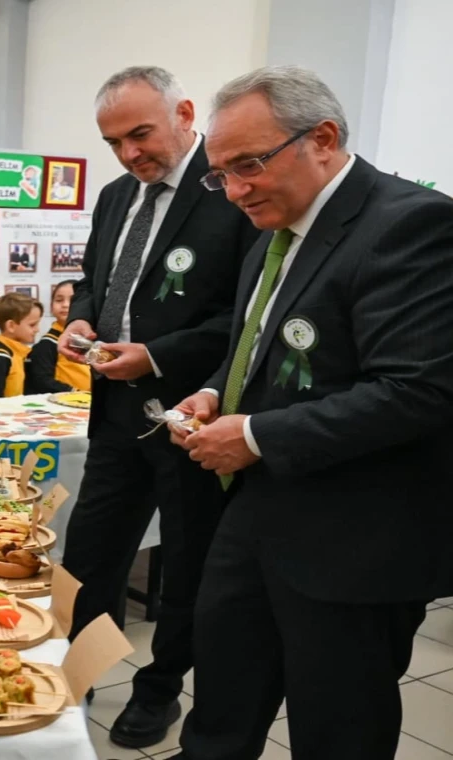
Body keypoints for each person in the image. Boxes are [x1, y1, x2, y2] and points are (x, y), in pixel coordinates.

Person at [166, 66, 453, 760]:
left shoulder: (410, 224)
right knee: (222, 704)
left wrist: (257, 435)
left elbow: (417, 390)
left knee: (338, 727)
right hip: (255, 518)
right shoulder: (273, 233)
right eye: (220, 174)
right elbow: (257, 352)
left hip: (353, 542)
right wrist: (214, 393)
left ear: (322, 139)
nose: (234, 191)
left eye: (249, 166)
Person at [56, 66, 259, 749]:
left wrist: (157, 354)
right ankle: (73, 677)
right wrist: (83, 322)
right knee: (88, 557)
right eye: (113, 141)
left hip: (191, 417)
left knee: (185, 565)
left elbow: (244, 316)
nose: (129, 153)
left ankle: (159, 688)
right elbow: (91, 281)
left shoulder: (232, 189)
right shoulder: (116, 196)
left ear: (184, 114)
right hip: (114, 412)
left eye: (140, 134)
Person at [0, 294, 64, 398]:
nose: (37, 329)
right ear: (11, 326)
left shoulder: (18, 353)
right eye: (32, 325)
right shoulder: (0, 356)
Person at [28, 281, 91, 393]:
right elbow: (42, 381)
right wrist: (73, 391)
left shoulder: (92, 338)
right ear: (51, 307)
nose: (65, 305)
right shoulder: (47, 344)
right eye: (59, 300)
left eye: (72, 300)